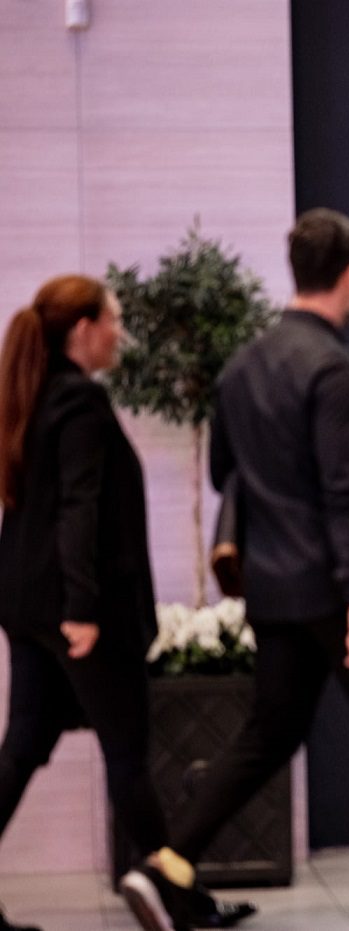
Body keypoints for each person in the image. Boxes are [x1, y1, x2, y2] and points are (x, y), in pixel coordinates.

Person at [118, 209, 349, 930]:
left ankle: (169, 864)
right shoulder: (338, 370)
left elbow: (225, 474)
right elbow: (347, 492)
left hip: (274, 588)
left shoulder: (243, 366)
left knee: (269, 734)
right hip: (341, 589)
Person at [0, 276, 249, 931]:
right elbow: (79, 507)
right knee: (128, 754)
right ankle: (179, 899)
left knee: (22, 748)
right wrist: (82, 610)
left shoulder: (36, 394)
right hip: (80, 613)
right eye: (112, 318)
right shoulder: (79, 399)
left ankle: (180, 897)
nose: (121, 331)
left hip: (28, 605)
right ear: (83, 329)